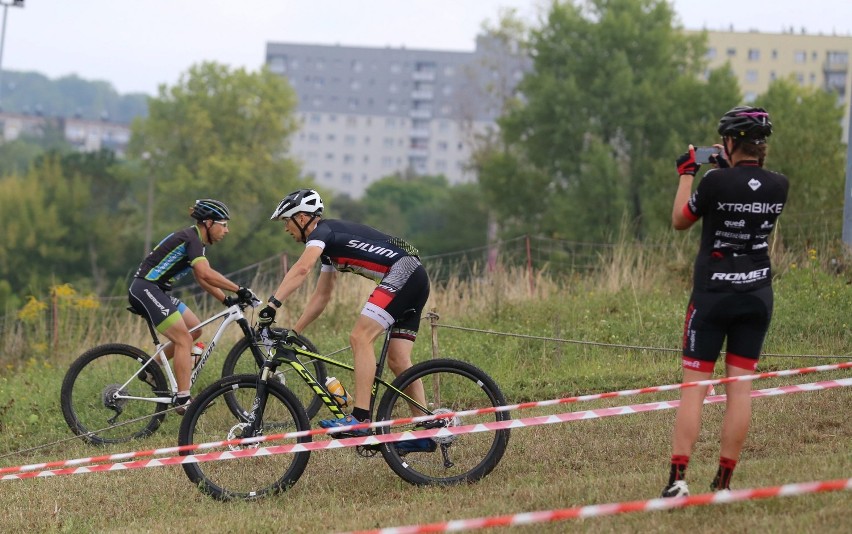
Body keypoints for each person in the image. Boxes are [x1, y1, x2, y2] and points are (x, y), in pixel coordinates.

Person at [661, 106, 789, 497]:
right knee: (740, 390)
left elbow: (681, 219)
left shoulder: (714, 181)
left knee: (694, 390)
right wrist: (726, 167)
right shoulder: (779, 184)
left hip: (713, 297)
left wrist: (687, 172)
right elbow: (747, 191)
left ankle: (678, 481)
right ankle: (725, 482)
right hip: (756, 293)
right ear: (762, 145)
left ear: (730, 142)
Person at [257, 189, 434, 452]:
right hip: (414, 276)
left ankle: (360, 418)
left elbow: (302, 268)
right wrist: (296, 330)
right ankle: (427, 428)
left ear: (303, 218)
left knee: (360, 337)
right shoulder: (329, 246)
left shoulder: (321, 233)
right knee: (398, 360)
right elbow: (322, 296)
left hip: (403, 273)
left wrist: (272, 303)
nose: (286, 229)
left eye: (287, 221)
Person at [128, 198, 254, 414]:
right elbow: (206, 273)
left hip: (156, 290)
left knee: (195, 329)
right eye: (223, 224)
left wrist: (226, 299)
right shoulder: (191, 238)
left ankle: (151, 369)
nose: (227, 230)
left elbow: (201, 278)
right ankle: (183, 400)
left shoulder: (195, 242)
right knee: (183, 339)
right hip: (146, 289)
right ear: (208, 223)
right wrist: (239, 288)